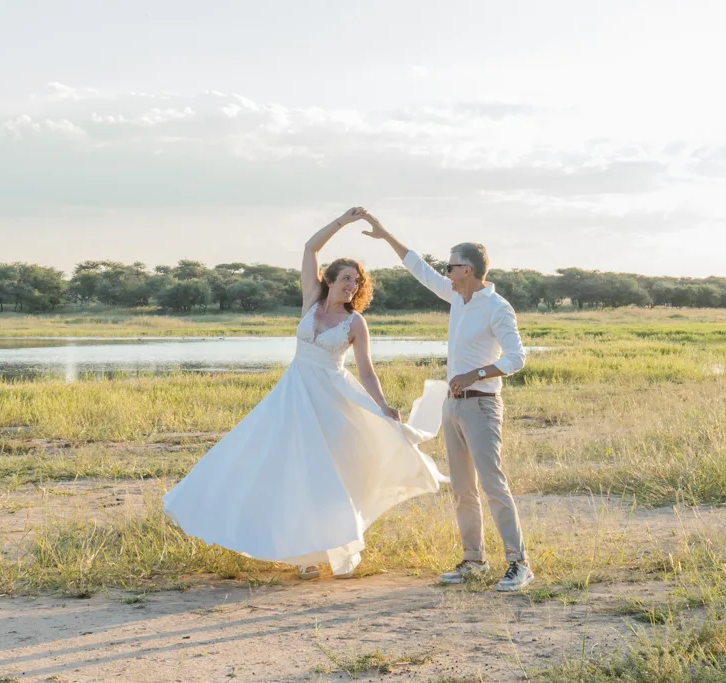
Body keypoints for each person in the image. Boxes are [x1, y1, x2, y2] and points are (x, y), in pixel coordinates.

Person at [163, 208, 449, 579]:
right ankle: (303, 555)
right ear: (329, 279)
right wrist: (343, 221)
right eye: (346, 277)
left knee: (323, 476)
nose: (352, 285)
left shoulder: (355, 321)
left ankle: (327, 549)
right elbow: (310, 247)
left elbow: (366, 369)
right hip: (293, 396)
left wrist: (382, 405)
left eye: (356, 282)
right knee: (282, 468)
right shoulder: (311, 301)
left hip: (332, 400)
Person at [359, 209, 533, 592]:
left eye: (451, 265)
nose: (446, 271)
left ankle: (519, 564)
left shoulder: (496, 307)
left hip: (483, 405)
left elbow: (517, 357)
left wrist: (478, 373)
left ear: (467, 270)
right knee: (462, 489)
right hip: (452, 406)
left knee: (493, 485)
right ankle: (474, 561)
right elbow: (418, 268)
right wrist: (386, 234)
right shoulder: (457, 298)